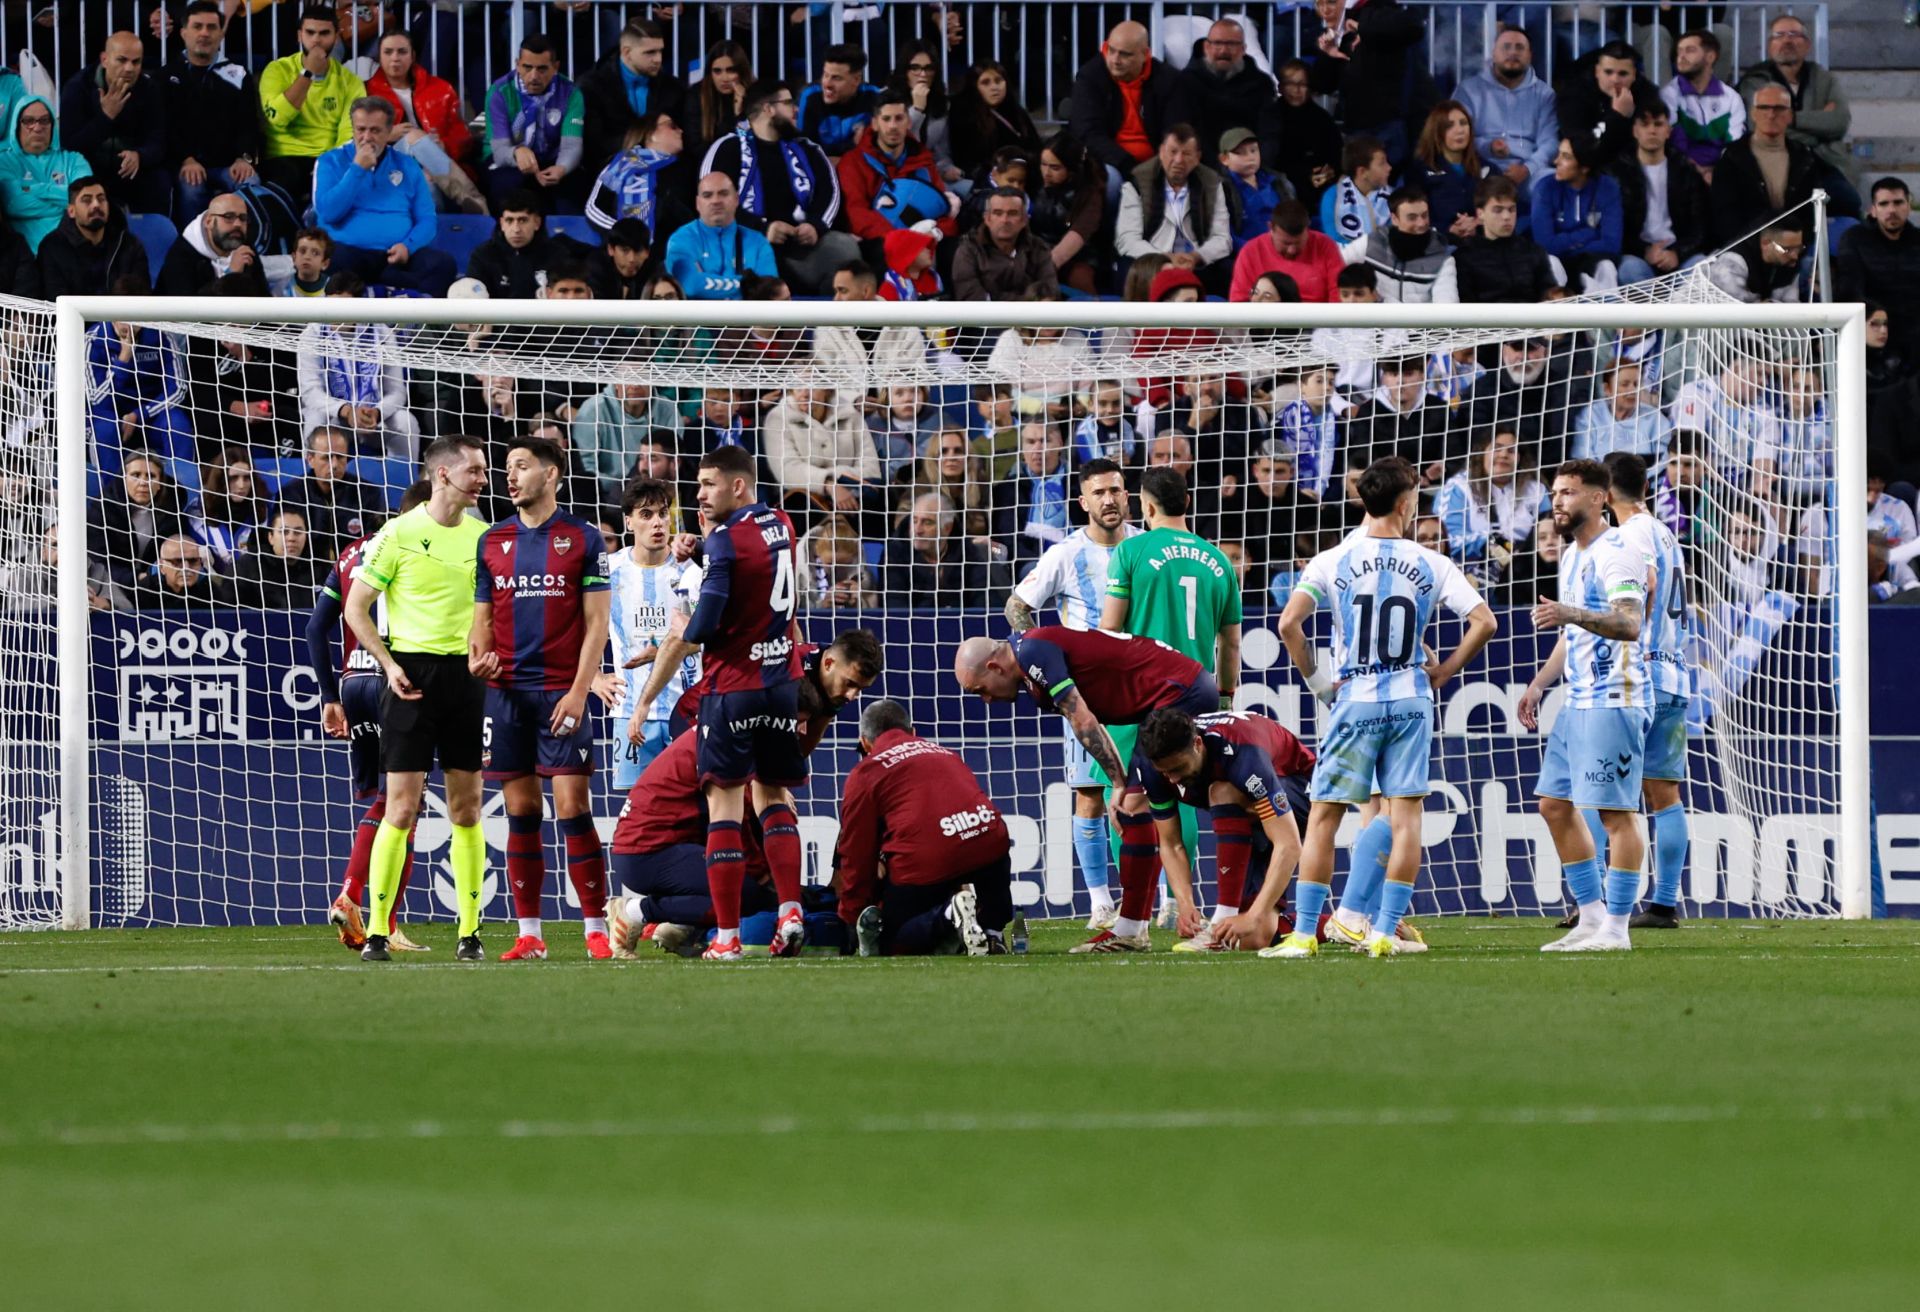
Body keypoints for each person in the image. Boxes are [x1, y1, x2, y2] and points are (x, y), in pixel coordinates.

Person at [1269, 456, 1496, 959]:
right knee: (1405, 818)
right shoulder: (1433, 563)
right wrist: (1445, 670)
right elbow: (1484, 622)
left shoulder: (1331, 560)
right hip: (1412, 698)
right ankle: (1383, 934)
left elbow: (1288, 625)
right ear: (1404, 502)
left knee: (1326, 815)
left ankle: (1306, 934)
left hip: (1356, 698)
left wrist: (1319, 684)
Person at [628, 445, 809, 963]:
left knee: (725, 806)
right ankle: (790, 910)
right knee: (773, 798)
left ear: (738, 485)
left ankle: (726, 938)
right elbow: (752, 571)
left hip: (732, 687)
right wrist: (702, 552)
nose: (699, 495)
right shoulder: (781, 524)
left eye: (708, 485)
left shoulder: (726, 540)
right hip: (781, 682)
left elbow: (704, 625)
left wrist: (683, 625)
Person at [605, 631, 880, 954]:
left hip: (713, 762)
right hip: (701, 720)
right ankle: (650, 915)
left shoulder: (820, 693)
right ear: (829, 664)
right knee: (743, 870)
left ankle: (689, 924)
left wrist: (776, 776)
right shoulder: (774, 676)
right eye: (851, 684)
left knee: (747, 865)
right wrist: (646, 701)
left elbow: (797, 750)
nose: (852, 696)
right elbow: (692, 637)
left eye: (860, 689)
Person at [952, 625, 1220, 952]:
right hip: (1176, 692)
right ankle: (1137, 927)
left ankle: (1207, 920)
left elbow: (1084, 721)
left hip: (1180, 693)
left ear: (994, 667)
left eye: (980, 689)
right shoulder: (1030, 662)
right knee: (1142, 805)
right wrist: (1120, 781)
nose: (986, 699)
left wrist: (1118, 782)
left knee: (1153, 801)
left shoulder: (1033, 653)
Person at [344, 435, 491, 962]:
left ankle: (469, 934)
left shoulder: (483, 537)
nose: (483, 478)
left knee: (467, 809)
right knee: (401, 808)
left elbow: (493, 613)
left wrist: (490, 655)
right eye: (474, 470)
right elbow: (355, 608)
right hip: (410, 677)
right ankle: (378, 932)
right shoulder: (399, 533)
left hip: (466, 680)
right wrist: (388, 665)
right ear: (444, 475)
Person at [468, 436, 613, 962]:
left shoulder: (582, 537)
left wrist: (579, 692)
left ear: (551, 475)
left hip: (561, 693)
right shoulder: (492, 540)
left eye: (522, 467)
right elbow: (480, 622)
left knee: (574, 809)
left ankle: (596, 929)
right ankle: (530, 933)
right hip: (506, 697)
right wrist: (476, 660)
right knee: (521, 811)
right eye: (507, 468)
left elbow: (597, 624)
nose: (511, 477)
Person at [1517, 459, 1652, 953]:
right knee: (1554, 806)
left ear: (1599, 498)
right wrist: (1539, 684)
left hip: (1615, 697)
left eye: (1570, 492)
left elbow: (1629, 624)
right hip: (1578, 699)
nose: (1559, 501)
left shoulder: (1617, 552)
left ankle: (1617, 928)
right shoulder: (1573, 554)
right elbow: (1572, 629)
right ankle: (1591, 916)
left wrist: (1568, 612)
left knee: (1616, 815)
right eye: (1555, 492)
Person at [1100, 464, 1241, 930]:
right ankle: (1186, 901)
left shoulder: (1132, 551)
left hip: (1142, 696)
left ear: (1147, 505)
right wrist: (1223, 700)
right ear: (1188, 503)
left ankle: (1133, 914)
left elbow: (1110, 632)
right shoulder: (1218, 560)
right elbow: (1232, 643)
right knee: (1189, 796)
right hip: (1198, 691)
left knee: (1131, 800)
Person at [1004, 458, 1137, 929]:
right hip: (1089, 698)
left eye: (1116, 491)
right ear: (1083, 502)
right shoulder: (1064, 554)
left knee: (1157, 790)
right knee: (1090, 794)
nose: (1109, 500)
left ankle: (1163, 896)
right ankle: (1102, 901)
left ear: (1128, 495)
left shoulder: (1143, 546)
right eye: (1098, 493)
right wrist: (1037, 663)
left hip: (1141, 687)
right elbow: (1018, 605)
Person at [307, 479, 432, 953]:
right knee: (399, 805)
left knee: (393, 804)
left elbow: (317, 627)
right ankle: (357, 897)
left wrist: (329, 695)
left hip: (353, 684)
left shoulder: (352, 553)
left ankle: (382, 917)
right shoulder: (419, 548)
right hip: (394, 680)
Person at [834, 698, 1014, 956]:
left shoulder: (866, 773)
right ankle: (992, 931)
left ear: (864, 742)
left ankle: (950, 915)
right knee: (989, 845)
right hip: (988, 838)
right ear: (913, 732)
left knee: (892, 940)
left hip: (929, 857)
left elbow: (855, 852)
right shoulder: (945, 753)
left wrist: (850, 915)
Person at [1138, 707, 1318, 952]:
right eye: (1165, 772)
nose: (1172, 779)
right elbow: (1171, 843)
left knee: (1222, 792)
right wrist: (1186, 904)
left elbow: (1288, 844)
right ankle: (1329, 925)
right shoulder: (1152, 767)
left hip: (1298, 788)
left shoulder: (1243, 755)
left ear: (1198, 744)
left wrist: (1253, 915)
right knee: (1252, 940)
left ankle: (1221, 918)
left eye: (1178, 768)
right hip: (1248, 813)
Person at [1601, 451, 1691, 930]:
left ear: (1608, 491)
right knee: (1664, 795)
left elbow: (1648, 585)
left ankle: (1599, 904)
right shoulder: (1663, 530)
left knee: (1607, 792)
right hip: (1675, 671)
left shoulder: (1630, 533)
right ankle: (1664, 904)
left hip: (1641, 677)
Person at [698, 80, 857, 295]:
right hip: (746, 248)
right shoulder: (727, 148)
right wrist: (762, 229)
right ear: (768, 108)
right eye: (789, 102)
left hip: (802, 252)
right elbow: (711, 205)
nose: (796, 109)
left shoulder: (808, 148)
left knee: (842, 248)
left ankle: (831, 326)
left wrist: (815, 225)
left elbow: (830, 193)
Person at [605, 477, 699, 790]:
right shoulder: (608, 571)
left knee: (690, 807)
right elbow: (579, 630)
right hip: (628, 712)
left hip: (685, 712)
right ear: (629, 521)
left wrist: (663, 651)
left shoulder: (693, 574)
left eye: (662, 513)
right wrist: (594, 679)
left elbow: (706, 639)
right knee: (637, 811)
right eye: (646, 515)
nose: (657, 522)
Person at [312, 97, 454, 295]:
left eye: (375, 130)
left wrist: (407, 247)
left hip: (397, 256)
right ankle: (387, 293)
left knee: (443, 264)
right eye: (361, 129)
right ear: (353, 129)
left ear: (389, 133)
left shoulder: (407, 165)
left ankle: (411, 313)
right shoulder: (330, 161)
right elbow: (327, 213)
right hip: (350, 255)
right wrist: (357, 170)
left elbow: (427, 219)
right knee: (333, 261)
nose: (367, 137)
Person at [1736, 13, 1856, 216]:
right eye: (1779, 35)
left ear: (1807, 45)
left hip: (1824, 160)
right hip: (1780, 162)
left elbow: (1840, 121)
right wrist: (1817, 128)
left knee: (1850, 203)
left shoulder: (1824, 78)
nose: (1787, 40)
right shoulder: (1754, 82)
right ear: (1769, 45)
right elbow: (1760, 126)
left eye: (1794, 34)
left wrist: (1791, 119)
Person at [295, 274, 420, 459]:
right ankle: (311, 481)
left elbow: (396, 391)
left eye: (344, 307)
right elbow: (310, 392)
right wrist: (346, 411)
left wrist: (377, 412)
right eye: (331, 306)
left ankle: (404, 482)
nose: (335, 314)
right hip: (334, 417)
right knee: (314, 420)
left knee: (406, 422)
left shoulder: (382, 333)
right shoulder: (311, 334)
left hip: (373, 418)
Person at [1068, 20, 1190, 208]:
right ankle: (1111, 237)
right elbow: (1087, 132)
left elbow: (1175, 131)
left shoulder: (1169, 80)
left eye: (1125, 54)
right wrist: (1128, 166)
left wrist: (1157, 167)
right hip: (1109, 161)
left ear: (1145, 55)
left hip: (1159, 162)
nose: (1115, 59)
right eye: (1110, 49)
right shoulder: (1090, 76)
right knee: (1111, 183)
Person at [363, 28, 485, 215]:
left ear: (413, 56)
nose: (395, 58)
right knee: (414, 137)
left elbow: (463, 136)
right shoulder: (367, 93)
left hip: (434, 167)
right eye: (388, 52)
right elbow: (355, 137)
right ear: (379, 57)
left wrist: (443, 146)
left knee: (426, 181)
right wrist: (385, 135)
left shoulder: (441, 89)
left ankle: (436, 237)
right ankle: (473, 200)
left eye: (402, 52)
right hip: (387, 164)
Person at [164, 1, 266, 219]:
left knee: (251, 183)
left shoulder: (238, 74)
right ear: (183, 33)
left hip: (229, 165)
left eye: (211, 27)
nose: (204, 33)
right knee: (191, 188)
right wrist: (186, 159)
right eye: (197, 26)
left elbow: (249, 122)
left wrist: (243, 158)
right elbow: (165, 127)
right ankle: (193, 250)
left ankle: (246, 249)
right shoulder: (166, 76)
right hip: (186, 165)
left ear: (221, 34)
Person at [258, 4, 364, 211]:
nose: (316, 39)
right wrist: (307, 75)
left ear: (336, 35)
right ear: (299, 35)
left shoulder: (351, 81)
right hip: (283, 156)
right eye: (310, 32)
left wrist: (331, 164)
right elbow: (278, 117)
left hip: (327, 158)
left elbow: (348, 133)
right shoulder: (277, 70)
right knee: (287, 179)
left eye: (324, 33)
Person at [1116, 123, 1233, 299]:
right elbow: (1127, 239)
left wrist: (1196, 256)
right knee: (1128, 268)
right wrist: (1164, 259)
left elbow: (1222, 238)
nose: (1178, 160)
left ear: (1197, 157)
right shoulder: (1136, 183)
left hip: (1195, 263)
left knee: (1227, 269)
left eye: (1186, 154)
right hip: (1154, 261)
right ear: (1161, 152)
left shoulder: (1213, 184)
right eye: (1173, 152)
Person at [61, 30, 170, 216]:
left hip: (132, 168)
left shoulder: (149, 88)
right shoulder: (78, 87)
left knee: (160, 179)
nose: (129, 68)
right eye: (122, 60)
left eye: (136, 62)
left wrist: (140, 155)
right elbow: (71, 145)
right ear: (104, 60)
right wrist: (106, 117)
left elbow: (159, 138)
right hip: (90, 167)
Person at [837, 90, 957, 251]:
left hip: (925, 244)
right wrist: (900, 240)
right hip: (879, 243)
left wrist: (936, 233)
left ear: (908, 123)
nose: (893, 126)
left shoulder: (923, 161)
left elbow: (941, 209)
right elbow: (856, 213)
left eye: (899, 118)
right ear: (874, 124)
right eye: (886, 119)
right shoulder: (853, 162)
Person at [1454, 27, 1558, 211]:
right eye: (1506, 47)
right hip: (1480, 166)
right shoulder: (1468, 90)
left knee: (1552, 185)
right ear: (1493, 53)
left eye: (1519, 48)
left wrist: (1527, 169)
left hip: (1528, 171)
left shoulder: (1544, 94)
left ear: (1530, 55)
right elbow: (1455, 136)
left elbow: (1549, 142)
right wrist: (1488, 146)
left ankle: (1546, 240)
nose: (1512, 52)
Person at [1432, 425, 1547, 590]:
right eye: (1497, 449)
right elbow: (1445, 541)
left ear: (1520, 458)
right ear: (1482, 454)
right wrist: (1490, 543)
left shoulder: (1537, 491)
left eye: (1511, 451)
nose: (1503, 455)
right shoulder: (1459, 487)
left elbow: (1551, 535)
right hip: (1467, 578)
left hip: (1524, 577)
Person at [483, 33, 588, 213]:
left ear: (555, 67)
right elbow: (500, 152)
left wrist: (561, 169)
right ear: (517, 64)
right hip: (507, 159)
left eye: (542, 69)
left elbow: (571, 146)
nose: (533, 76)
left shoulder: (571, 93)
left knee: (571, 194)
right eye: (527, 67)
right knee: (507, 188)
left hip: (552, 158)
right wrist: (516, 152)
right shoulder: (499, 92)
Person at [1612, 105, 1713, 281]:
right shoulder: (1618, 173)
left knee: (1703, 267)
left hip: (1679, 254)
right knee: (1629, 268)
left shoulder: (1686, 171)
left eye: (1658, 124)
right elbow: (1615, 228)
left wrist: (1677, 253)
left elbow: (1700, 226)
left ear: (1668, 131)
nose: (1652, 130)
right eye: (1645, 125)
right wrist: (1645, 251)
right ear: (1635, 131)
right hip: (1639, 255)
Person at [1710, 84, 1817, 245]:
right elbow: (1725, 215)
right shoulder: (1733, 157)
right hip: (1747, 247)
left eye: (1779, 108)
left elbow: (1811, 212)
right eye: (1764, 108)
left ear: (1790, 115)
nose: (1771, 114)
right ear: (1753, 113)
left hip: (1796, 247)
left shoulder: (1804, 158)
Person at [580, 20, 685, 174]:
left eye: (660, 51)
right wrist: (644, 147)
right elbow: (594, 143)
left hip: (665, 174)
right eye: (650, 53)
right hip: (608, 175)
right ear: (627, 52)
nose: (658, 59)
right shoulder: (592, 86)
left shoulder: (673, 88)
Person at [274, 425, 389, 559]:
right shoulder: (290, 495)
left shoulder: (368, 492)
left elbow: (378, 544)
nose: (334, 464)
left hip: (353, 571)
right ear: (310, 459)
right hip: (306, 572)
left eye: (340, 457)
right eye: (327, 457)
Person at [1179, 20, 1279, 172]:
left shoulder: (1261, 84)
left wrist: (1256, 167)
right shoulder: (1186, 83)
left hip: (1252, 170)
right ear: (1206, 47)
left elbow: (1270, 134)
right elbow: (1187, 133)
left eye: (1231, 44)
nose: (1224, 51)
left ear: (1243, 49)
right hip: (1202, 171)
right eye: (1217, 43)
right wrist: (1218, 169)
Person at [1836, 180, 1920, 359]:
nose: (1892, 210)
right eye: (1884, 204)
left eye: (1898, 203)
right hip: (1873, 337)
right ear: (1873, 210)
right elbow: (1850, 290)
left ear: (1908, 206)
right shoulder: (1854, 239)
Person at [661, 171, 778, 300]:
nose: (716, 201)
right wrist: (746, 284)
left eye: (723, 194)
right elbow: (691, 285)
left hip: (745, 319)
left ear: (736, 199)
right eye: (707, 195)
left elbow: (769, 290)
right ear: (698, 203)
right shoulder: (681, 239)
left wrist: (705, 282)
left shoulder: (758, 242)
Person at [883, 492, 1012, 607]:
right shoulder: (894, 554)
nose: (918, 530)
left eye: (927, 522)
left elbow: (984, 602)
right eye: (914, 521)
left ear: (947, 528)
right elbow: (895, 605)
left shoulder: (969, 552)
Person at [1532, 138, 1627, 290]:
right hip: (1558, 261)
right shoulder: (1545, 188)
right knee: (1551, 263)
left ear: (1584, 167)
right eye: (1559, 154)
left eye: (1566, 157)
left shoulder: (1607, 188)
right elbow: (1545, 245)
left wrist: (1567, 245)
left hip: (1593, 260)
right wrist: (1589, 233)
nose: (1556, 161)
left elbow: (1612, 244)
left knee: (1607, 266)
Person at [583, 110, 692, 242]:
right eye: (672, 125)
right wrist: (627, 235)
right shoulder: (622, 164)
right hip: (621, 251)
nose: (680, 131)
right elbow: (594, 210)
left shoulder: (687, 168)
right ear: (651, 134)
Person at [0, 96, 89, 254]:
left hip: (71, 254)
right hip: (23, 259)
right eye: (28, 121)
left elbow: (85, 201)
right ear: (16, 126)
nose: (37, 127)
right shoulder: (4, 161)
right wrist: (65, 197)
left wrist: (32, 189)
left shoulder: (74, 160)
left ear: (52, 125)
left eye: (44, 120)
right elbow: (13, 204)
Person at [467, 188, 594, 298]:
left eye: (523, 220)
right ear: (502, 223)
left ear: (537, 223)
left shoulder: (557, 255)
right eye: (509, 220)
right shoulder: (483, 255)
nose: (516, 229)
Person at [1340, 184, 1457, 304]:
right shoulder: (1372, 242)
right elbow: (1333, 266)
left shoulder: (1443, 258)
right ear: (1395, 219)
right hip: (1374, 321)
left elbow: (1446, 307)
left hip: (1417, 322)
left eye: (1424, 215)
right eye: (1412, 217)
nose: (1421, 223)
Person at [39, 179, 150, 301]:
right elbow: (55, 301)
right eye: (87, 200)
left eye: (101, 199)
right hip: (72, 319)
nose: (96, 204)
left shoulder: (129, 244)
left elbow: (141, 297)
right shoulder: (52, 247)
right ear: (71, 211)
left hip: (122, 318)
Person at [1451, 176, 1558, 303]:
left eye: (1511, 209)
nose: (1507, 216)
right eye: (1498, 210)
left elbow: (1551, 299)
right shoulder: (1464, 257)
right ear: (1480, 214)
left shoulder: (1533, 252)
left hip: (1530, 320)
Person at [1557, 40, 1660, 167]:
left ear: (1634, 75)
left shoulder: (1647, 94)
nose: (1615, 79)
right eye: (1608, 72)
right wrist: (1617, 116)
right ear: (1597, 71)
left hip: (1633, 167)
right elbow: (1582, 148)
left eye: (1623, 74)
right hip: (1588, 168)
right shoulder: (1574, 95)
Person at [1661, 29, 1745, 178]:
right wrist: (1697, 171)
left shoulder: (1731, 98)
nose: (1681, 56)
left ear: (1710, 57)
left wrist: (1717, 172)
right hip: (1681, 173)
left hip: (1721, 174)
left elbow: (1735, 145)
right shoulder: (1668, 94)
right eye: (1679, 51)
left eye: (1690, 50)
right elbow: (1673, 143)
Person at [1031, 133, 1105, 295]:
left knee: (1080, 279)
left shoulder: (1090, 193)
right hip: (1037, 248)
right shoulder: (1034, 180)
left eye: (1055, 167)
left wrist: (1045, 267)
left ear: (1072, 169)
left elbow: (1078, 235)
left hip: (1077, 255)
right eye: (1043, 165)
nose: (1046, 173)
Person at [952, 185, 1055, 301]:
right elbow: (972, 300)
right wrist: (1026, 302)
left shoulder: (1038, 247)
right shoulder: (969, 250)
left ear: (1024, 220)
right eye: (998, 213)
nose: (1005, 220)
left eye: (1012, 213)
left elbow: (1050, 291)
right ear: (987, 219)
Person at [1229, 200, 1342, 303]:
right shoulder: (1251, 252)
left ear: (1308, 229)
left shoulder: (1325, 245)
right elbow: (1239, 301)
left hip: (1319, 321)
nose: (1291, 250)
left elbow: (1339, 292)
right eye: (1285, 243)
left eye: (1298, 243)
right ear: (1270, 228)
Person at [158, 192, 269, 297]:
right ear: (208, 222)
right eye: (228, 217)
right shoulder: (181, 256)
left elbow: (263, 297)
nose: (238, 224)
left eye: (243, 218)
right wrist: (230, 275)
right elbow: (188, 311)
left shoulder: (243, 247)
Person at [1271, 59, 1343, 214]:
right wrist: (1305, 175)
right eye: (1290, 83)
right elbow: (1271, 160)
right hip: (1283, 182)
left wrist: (1330, 171)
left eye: (1302, 84)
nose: (1296, 90)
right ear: (1281, 87)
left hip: (1321, 183)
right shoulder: (1270, 116)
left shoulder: (1321, 118)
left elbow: (1336, 153)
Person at [948, 59, 1038, 181]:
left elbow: (1035, 147)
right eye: (986, 83)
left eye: (998, 81)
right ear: (974, 87)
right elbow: (965, 160)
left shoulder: (1016, 111)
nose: (995, 87)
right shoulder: (963, 116)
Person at [1571, 360, 1672, 463]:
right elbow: (1583, 456)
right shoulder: (1590, 416)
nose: (1632, 390)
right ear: (1607, 389)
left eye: (1636, 384)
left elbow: (1665, 459)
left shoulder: (1655, 418)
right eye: (1625, 384)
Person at [798, 43, 880, 157]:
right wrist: (852, 145)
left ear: (856, 79)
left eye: (836, 78)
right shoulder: (810, 96)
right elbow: (804, 149)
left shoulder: (874, 96)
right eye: (825, 75)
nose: (827, 84)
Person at [232, 507, 323, 609]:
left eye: (298, 532)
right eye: (284, 532)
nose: (291, 538)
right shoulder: (245, 569)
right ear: (270, 537)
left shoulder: (322, 570)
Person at [1217, 127, 1290, 249]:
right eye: (1240, 152)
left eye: (1253, 150)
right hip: (1245, 255)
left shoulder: (1278, 182)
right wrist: (1254, 252)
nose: (1250, 157)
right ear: (1224, 159)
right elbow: (1225, 235)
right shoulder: (1221, 190)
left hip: (1284, 250)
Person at [1703, 222, 1805, 304]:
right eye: (1787, 249)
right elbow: (1733, 307)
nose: (1795, 256)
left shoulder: (1789, 263)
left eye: (1798, 249)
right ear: (1766, 243)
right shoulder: (1733, 261)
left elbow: (1791, 306)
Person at [1318, 135, 1391, 244]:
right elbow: (1336, 242)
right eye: (1382, 164)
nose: (1389, 168)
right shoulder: (1333, 197)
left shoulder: (1392, 194)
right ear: (1362, 172)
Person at [136, 533, 235, 609]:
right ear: (162, 567)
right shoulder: (144, 591)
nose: (186, 567)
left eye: (193, 561)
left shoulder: (212, 593)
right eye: (177, 561)